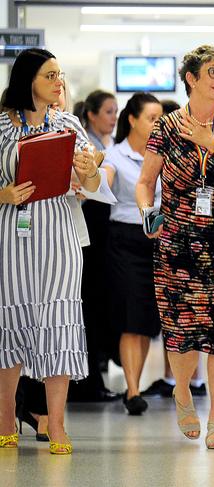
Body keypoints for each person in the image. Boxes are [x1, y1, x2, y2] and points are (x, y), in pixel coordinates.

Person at [136, 44, 214, 449]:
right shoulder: (166, 127)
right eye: (212, 72)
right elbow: (145, 182)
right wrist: (146, 211)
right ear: (191, 78)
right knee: (182, 331)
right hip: (178, 244)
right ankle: (183, 391)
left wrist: (212, 143)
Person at [0, 48, 100, 455]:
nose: (58, 82)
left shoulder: (69, 123)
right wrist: (2, 194)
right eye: (50, 75)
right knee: (12, 321)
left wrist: (89, 170)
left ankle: (56, 424)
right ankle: (6, 418)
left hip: (59, 232)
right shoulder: (2, 126)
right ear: (28, 80)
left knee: (58, 318)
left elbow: (91, 186)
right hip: (12, 232)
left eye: (60, 74)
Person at [141, 98, 207, 400]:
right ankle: (179, 383)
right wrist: (150, 215)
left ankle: (194, 381)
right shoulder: (164, 137)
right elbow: (146, 183)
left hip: (211, 241)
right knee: (178, 315)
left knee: (202, 316)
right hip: (173, 238)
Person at [103, 93, 163, 415]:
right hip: (124, 240)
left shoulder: (163, 155)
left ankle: (134, 385)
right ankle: (133, 390)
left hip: (155, 240)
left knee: (144, 320)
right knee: (129, 317)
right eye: (152, 118)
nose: (157, 124)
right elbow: (106, 179)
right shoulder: (115, 154)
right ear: (133, 120)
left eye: (160, 118)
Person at [67, 89, 120, 403]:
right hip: (87, 238)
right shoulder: (86, 149)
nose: (113, 118)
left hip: (101, 238)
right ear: (91, 115)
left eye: (116, 111)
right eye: (108, 111)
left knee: (97, 306)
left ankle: (92, 376)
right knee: (87, 305)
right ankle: (85, 380)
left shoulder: (105, 147)